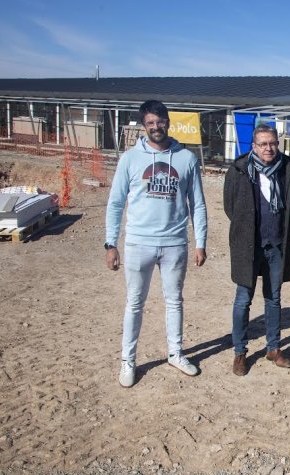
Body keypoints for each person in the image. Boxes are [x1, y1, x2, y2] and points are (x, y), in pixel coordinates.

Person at [105, 99, 208, 388]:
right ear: (143, 125)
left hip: (175, 244)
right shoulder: (130, 159)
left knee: (174, 301)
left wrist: (200, 242)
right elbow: (115, 203)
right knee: (134, 303)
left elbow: (197, 205)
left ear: (168, 123)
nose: (156, 127)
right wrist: (110, 243)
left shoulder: (186, 159)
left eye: (160, 122)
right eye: (150, 123)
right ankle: (128, 360)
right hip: (139, 243)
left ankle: (175, 353)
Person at [224, 124, 290, 376]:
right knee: (243, 300)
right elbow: (230, 207)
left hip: (276, 245)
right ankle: (240, 351)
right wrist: (246, 229)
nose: (268, 148)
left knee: (274, 299)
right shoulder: (239, 171)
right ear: (254, 146)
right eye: (263, 144)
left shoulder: (286, 169)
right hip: (249, 247)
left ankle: (273, 348)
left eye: (273, 143)